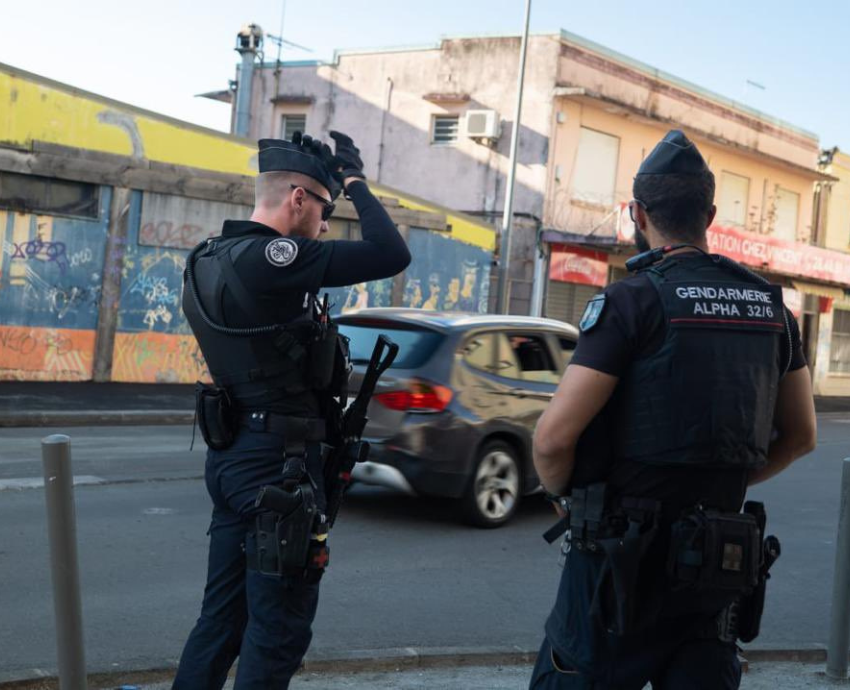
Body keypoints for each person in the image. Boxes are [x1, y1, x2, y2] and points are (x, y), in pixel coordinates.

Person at [529, 130, 817, 689]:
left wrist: (566, 497)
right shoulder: (771, 308)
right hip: (716, 560)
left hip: (618, 563)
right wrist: (713, 487)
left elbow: (552, 439)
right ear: (710, 214)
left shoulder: (630, 300)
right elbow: (800, 436)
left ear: (638, 213)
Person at [172, 131, 410, 689]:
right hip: (280, 470)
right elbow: (390, 253)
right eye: (326, 209)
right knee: (276, 633)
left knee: (221, 621)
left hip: (233, 460)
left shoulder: (205, 258)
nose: (327, 225)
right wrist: (356, 182)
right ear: (298, 198)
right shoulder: (274, 260)